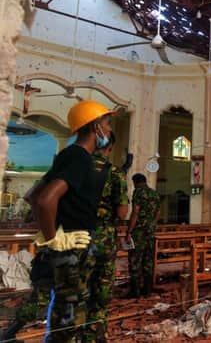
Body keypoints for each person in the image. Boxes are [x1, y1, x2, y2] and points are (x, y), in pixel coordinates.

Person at [1, 100, 113, 342]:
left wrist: (52, 230)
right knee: (69, 320)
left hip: (70, 244)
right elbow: (44, 200)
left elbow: (32, 195)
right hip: (73, 246)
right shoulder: (80, 158)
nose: (110, 130)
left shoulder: (68, 155)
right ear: (96, 127)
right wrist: (54, 238)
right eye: (107, 123)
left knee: (68, 313)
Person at [86, 132, 129, 342]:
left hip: (72, 237)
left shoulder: (72, 166)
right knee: (100, 292)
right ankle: (96, 334)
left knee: (72, 291)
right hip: (102, 239)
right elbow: (122, 213)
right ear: (109, 148)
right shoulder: (114, 173)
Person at [126, 173, 160, 297]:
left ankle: (135, 291)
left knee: (135, 260)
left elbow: (135, 212)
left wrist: (129, 231)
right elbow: (158, 213)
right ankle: (147, 289)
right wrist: (151, 226)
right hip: (150, 232)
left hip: (138, 232)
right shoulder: (154, 193)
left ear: (135, 182)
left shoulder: (138, 192)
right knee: (148, 260)